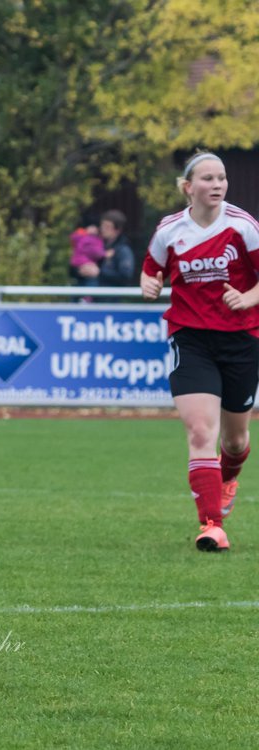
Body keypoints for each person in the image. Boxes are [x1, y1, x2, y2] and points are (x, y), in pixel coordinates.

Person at [141, 150, 259, 552]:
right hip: (190, 337)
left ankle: (227, 479)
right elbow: (150, 267)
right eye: (208, 179)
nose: (218, 185)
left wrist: (248, 297)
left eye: (222, 178)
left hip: (241, 338)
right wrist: (149, 284)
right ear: (188, 187)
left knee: (236, 441)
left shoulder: (243, 226)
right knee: (200, 431)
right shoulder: (169, 230)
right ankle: (212, 525)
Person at [97, 209, 136, 290]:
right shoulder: (97, 246)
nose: (102, 229)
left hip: (112, 299)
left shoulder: (123, 251)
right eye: (102, 225)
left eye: (107, 227)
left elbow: (125, 277)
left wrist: (99, 273)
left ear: (117, 230)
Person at [69, 220, 106, 298]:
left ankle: (81, 299)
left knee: (81, 283)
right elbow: (93, 251)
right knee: (91, 280)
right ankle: (87, 299)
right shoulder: (89, 239)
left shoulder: (80, 237)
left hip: (79, 263)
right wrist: (104, 254)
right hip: (85, 262)